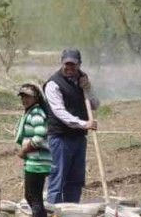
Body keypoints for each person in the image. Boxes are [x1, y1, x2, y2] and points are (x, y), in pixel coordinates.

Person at [42, 48, 99, 205]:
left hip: (79, 138)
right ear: (62, 63)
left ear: (79, 65)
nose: (69, 68)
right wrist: (84, 124)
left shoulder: (82, 80)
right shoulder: (53, 84)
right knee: (57, 179)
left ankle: (71, 215)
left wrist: (88, 88)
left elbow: (95, 105)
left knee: (75, 181)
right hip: (60, 137)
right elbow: (60, 113)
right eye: (67, 64)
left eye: (73, 65)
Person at [14, 83, 54, 217]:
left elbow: (39, 134)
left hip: (37, 160)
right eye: (22, 96)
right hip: (35, 160)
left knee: (33, 196)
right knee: (31, 196)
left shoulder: (36, 113)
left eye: (27, 96)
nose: (24, 99)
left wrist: (25, 149)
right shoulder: (31, 112)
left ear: (36, 98)